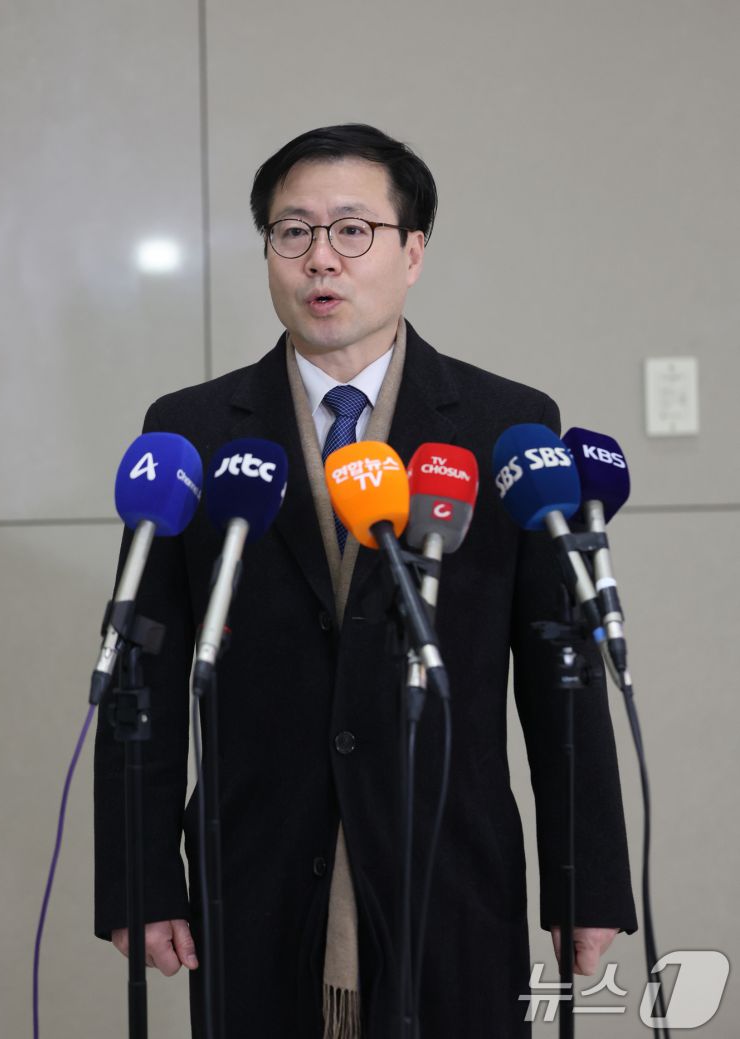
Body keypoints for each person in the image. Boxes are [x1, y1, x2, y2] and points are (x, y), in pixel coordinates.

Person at [94, 123, 637, 1038]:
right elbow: (139, 667)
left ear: (412, 251)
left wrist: (585, 878)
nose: (322, 258)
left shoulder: (505, 424)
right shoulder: (192, 430)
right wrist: (138, 878)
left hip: (451, 869)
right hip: (254, 872)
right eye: (293, 231)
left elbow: (561, 671)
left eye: (353, 229)